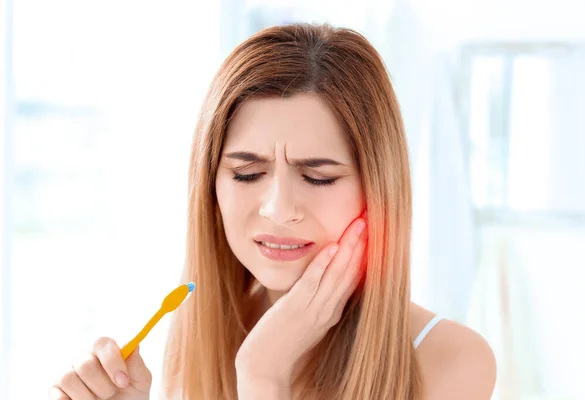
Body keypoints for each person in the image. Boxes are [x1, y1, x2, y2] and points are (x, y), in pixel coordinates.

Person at [48, 23, 496, 400]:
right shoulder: (199, 333)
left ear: (376, 190)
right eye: (246, 174)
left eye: (318, 177)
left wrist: (263, 375)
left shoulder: (450, 360)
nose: (278, 209)